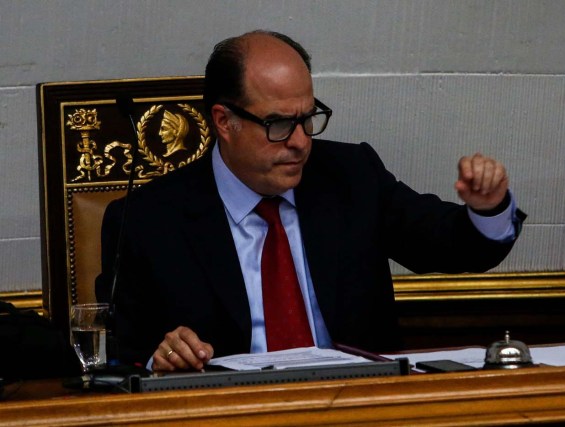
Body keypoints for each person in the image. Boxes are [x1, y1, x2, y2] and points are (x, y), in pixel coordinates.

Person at [96, 30, 525, 372]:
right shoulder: (147, 219)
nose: (301, 142)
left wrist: (486, 208)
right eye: (280, 124)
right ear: (225, 122)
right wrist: (163, 356)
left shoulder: (351, 175)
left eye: (307, 118)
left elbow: (446, 241)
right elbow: (121, 348)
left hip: (358, 410)